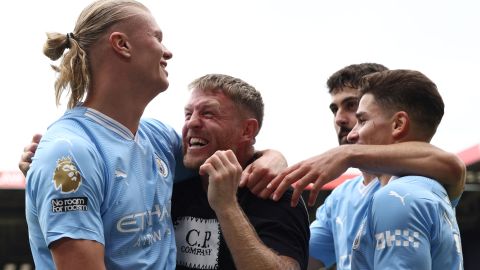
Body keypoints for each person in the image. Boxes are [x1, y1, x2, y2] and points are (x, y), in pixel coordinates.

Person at [24, 1, 284, 269]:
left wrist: (272, 157)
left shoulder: (158, 138)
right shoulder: (70, 151)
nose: (167, 52)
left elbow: (222, 154)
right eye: (157, 38)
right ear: (121, 45)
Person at [263, 63, 465, 270]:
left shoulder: (417, 182)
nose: (339, 119)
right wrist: (266, 156)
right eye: (335, 109)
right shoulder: (341, 197)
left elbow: (453, 166)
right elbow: (288, 263)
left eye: (353, 107)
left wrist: (347, 154)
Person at [172, 74, 310, 269]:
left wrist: (227, 206)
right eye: (188, 114)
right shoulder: (172, 179)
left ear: (247, 131)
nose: (192, 123)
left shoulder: (276, 193)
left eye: (208, 114)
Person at [349, 69, 463, 269]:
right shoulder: (434, 191)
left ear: (398, 124)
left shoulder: (398, 196)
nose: (351, 135)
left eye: (362, 120)